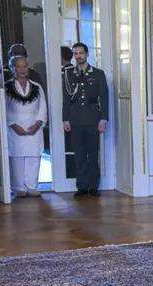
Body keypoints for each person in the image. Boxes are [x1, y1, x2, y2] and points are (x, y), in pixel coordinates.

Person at [62, 43, 109, 198]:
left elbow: (104, 97)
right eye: (76, 53)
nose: (79, 56)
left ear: (87, 54)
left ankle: (94, 186)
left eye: (81, 53)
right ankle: (81, 186)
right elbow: (66, 98)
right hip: (75, 118)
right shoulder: (69, 74)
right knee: (79, 154)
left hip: (92, 118)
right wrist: (65, 118)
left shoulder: (97, 74)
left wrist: (103, 119)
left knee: (93, 154)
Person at [4, 56, 47, 198]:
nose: (22, 69)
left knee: (34, 157)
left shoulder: (37, 87)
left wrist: (37, 124)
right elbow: (4, 109)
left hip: (34, 128)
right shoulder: (6, 87)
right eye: (19, 66)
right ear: (13, 69)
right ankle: (18, 187)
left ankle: (32, 186)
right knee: (16, 158)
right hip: (15, 128)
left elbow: (42, 108)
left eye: (25, 66)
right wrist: (14, 125)